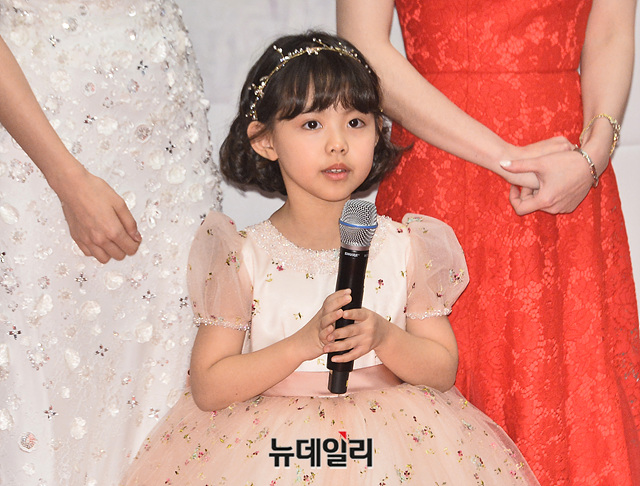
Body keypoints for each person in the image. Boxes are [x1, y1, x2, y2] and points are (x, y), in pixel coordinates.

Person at [121, 31, 539, 485]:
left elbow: (442, 369)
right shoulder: (241, 255)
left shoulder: (405, 244)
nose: (338, 143)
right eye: (312, 125)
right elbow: (209, 385)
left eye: (355, 122)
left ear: (378, 132)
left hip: (391, 450)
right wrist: (303, 344)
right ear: (264, 140)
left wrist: (383, 336)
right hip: (274, 455)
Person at [336, 1, 640, 485]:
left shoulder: (578, 167)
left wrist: (594, 155)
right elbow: (363, 46)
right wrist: (508, 158)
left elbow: (611, 32)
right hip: (442, 169)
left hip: (567, 174)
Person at [0, 2, 221, 484]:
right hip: (49, 133)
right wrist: (67, 179)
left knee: (169, 357)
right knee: (51, 368)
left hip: (170, 137)